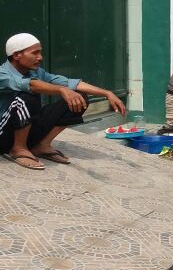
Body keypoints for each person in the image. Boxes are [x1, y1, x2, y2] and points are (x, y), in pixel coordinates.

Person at [1, 33, 126, 170]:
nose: (40, 57)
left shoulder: (37, 72)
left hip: (29, 129)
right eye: (35, 53)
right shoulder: (3, 74)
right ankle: (18, 149)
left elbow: (70, 83)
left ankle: (42, 145)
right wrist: (61, 90)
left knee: (79, 97)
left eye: (40, 53)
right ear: (16, 55)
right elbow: (32, 85)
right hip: (4, 135)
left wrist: (107, 93)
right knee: (27, 96)